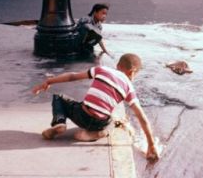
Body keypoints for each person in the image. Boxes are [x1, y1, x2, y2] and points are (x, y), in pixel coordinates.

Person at [32, 53, 160, 160]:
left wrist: (49, 81)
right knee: (113, 120)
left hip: (82, 115)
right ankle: (93, 134)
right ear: (133, 72)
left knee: (58, 97)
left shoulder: (102, 70)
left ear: (117, 66)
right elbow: (141, 117)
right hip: (100, 123)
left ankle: (59, 122)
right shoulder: (129, 88)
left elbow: (72, 76)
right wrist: (151, 144)